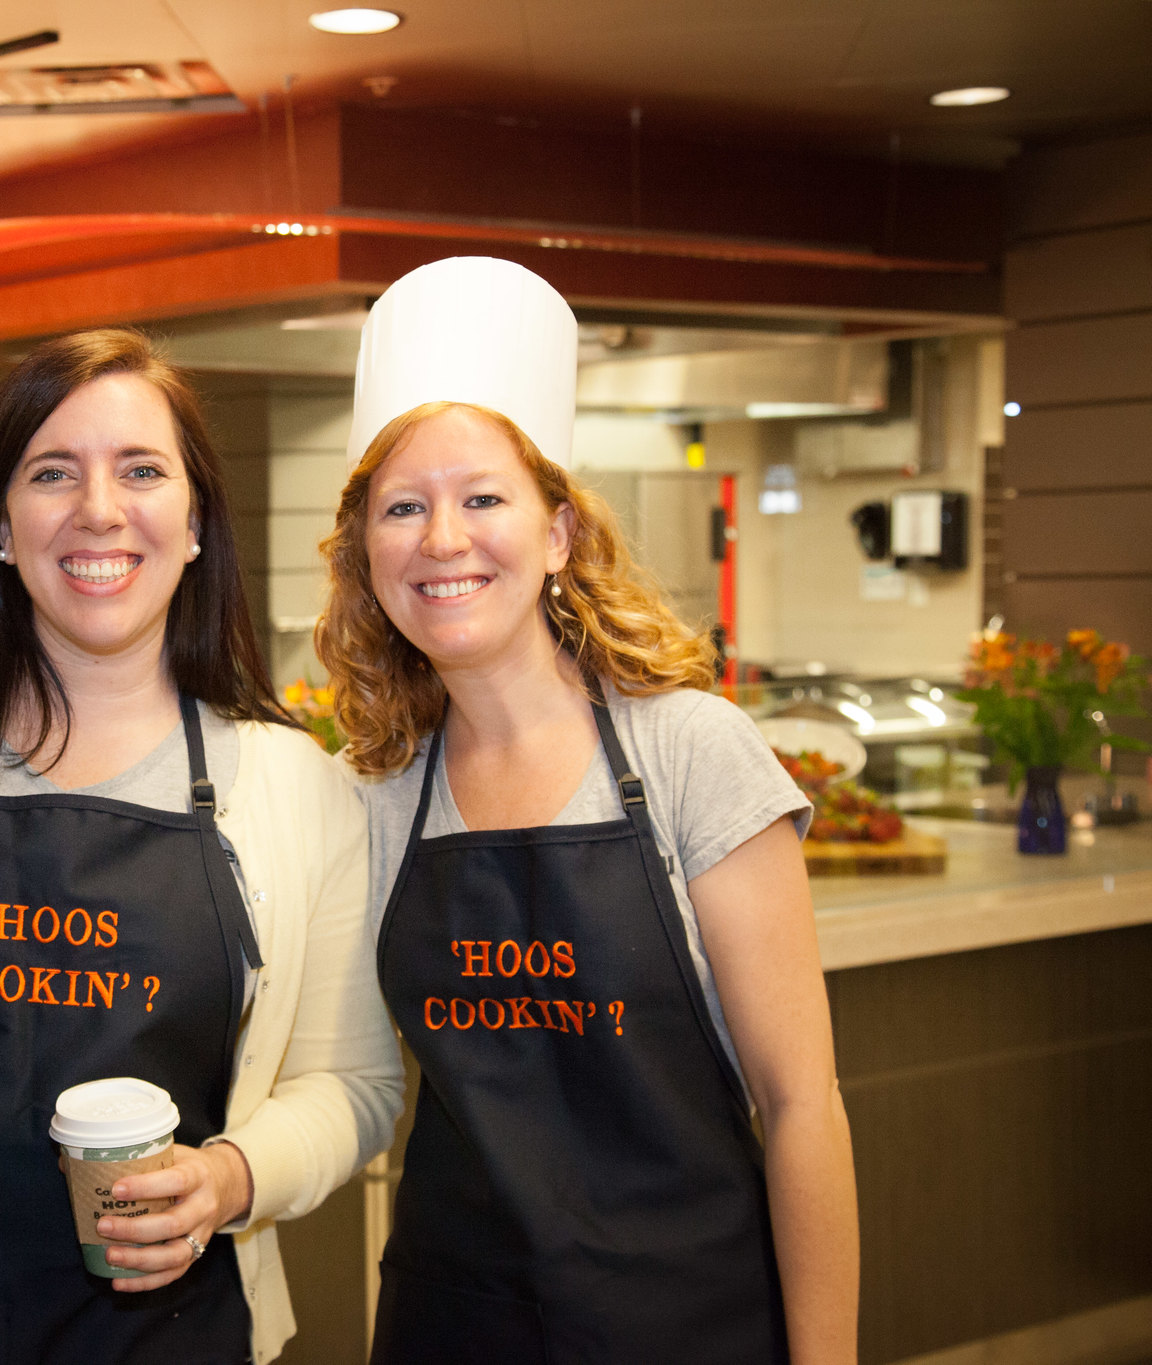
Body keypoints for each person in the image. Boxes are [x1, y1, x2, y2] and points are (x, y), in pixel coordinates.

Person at [0, 329, 401, 1365]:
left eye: (140, 471)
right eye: (52, 473)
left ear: (192, 523)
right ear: (0, 523)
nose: (98, 509)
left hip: (173, 1335)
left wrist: (227, 1179)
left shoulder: (289, 783)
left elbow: (352, 1086)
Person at [317, 258, 859, 1365]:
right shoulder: (374, 788)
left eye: (482, 498)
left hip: (681, 1320)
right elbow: (350, 1077)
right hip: (452, 1321)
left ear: (557, 532)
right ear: (365, 553)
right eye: (402, 508)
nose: (442, 539)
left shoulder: (688, 750)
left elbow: (800, 1104)